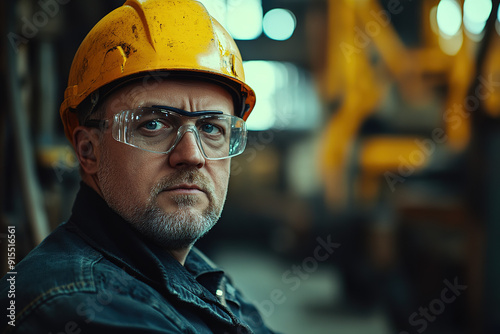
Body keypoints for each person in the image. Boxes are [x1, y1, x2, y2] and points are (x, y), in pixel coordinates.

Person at [0, 0, 278, 333]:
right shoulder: (79, 305)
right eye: (154, 125)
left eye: (211, 128)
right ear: (88, 150)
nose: (192, 155)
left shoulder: (194, 273)